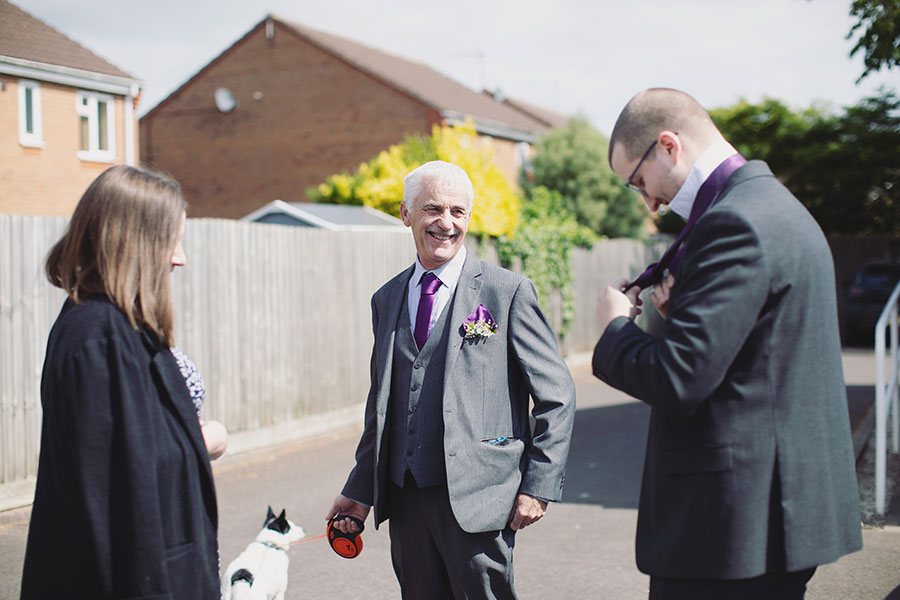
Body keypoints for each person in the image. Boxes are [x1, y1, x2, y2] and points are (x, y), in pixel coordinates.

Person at [593, 88, 862, 599]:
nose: (649, 202)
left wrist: (615, 330)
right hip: (767, 518)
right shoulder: (769, 204)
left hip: (732, 531)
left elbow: (679, 379)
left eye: (640, 182)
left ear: (669, 146)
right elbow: (755, 356)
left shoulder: (732, 222)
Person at [326, 160, 576, 599]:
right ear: (406, 213)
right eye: (433, 209)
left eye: (458, 212)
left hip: (480, 500)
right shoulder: (386, 299)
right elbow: (380, 410)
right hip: (406, 503)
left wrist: (538, 485)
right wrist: (359, 489)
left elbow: (557, 395)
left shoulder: (506, 292)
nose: (446, 223)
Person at [20, 165, 220, 599]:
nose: (179, 258)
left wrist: (195, 440)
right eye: (172, 241)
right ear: (136, 243)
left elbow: (143, 451)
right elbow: (117, 503)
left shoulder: (121, 329)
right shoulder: (99, 338)